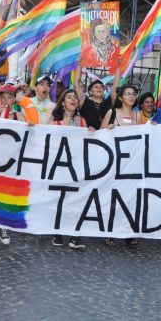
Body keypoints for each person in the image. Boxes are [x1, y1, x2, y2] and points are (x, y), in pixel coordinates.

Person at [0, 83, 29, 251]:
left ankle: (3, 227)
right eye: (2, 98)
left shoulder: (19, 115)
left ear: (14, 100)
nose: (6, 101)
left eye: (9, 98)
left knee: (6, 198)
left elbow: (29, 133)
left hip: (12, 165)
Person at [48, 89, 90, 250]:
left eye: (75, 98)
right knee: (60, 200)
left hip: (76, 166)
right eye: (69, 97)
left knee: (76, 201)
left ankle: (74, 235)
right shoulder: (54, 121)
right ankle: (57, 231)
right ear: (63, 102)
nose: (73, 99)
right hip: (59, 167)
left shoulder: (81, 121)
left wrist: (92, 133)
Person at [102, 85, 142, 246]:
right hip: (114, 163)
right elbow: (100, 134)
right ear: (120, 98)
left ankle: (127, 231)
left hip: (131, 164)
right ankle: (109, 230)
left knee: (130, 198)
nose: (131, 96)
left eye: (133, 94)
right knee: (113, 198)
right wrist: (108, 130)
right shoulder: (112, 113)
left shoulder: (138, 116)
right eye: (127, 94)